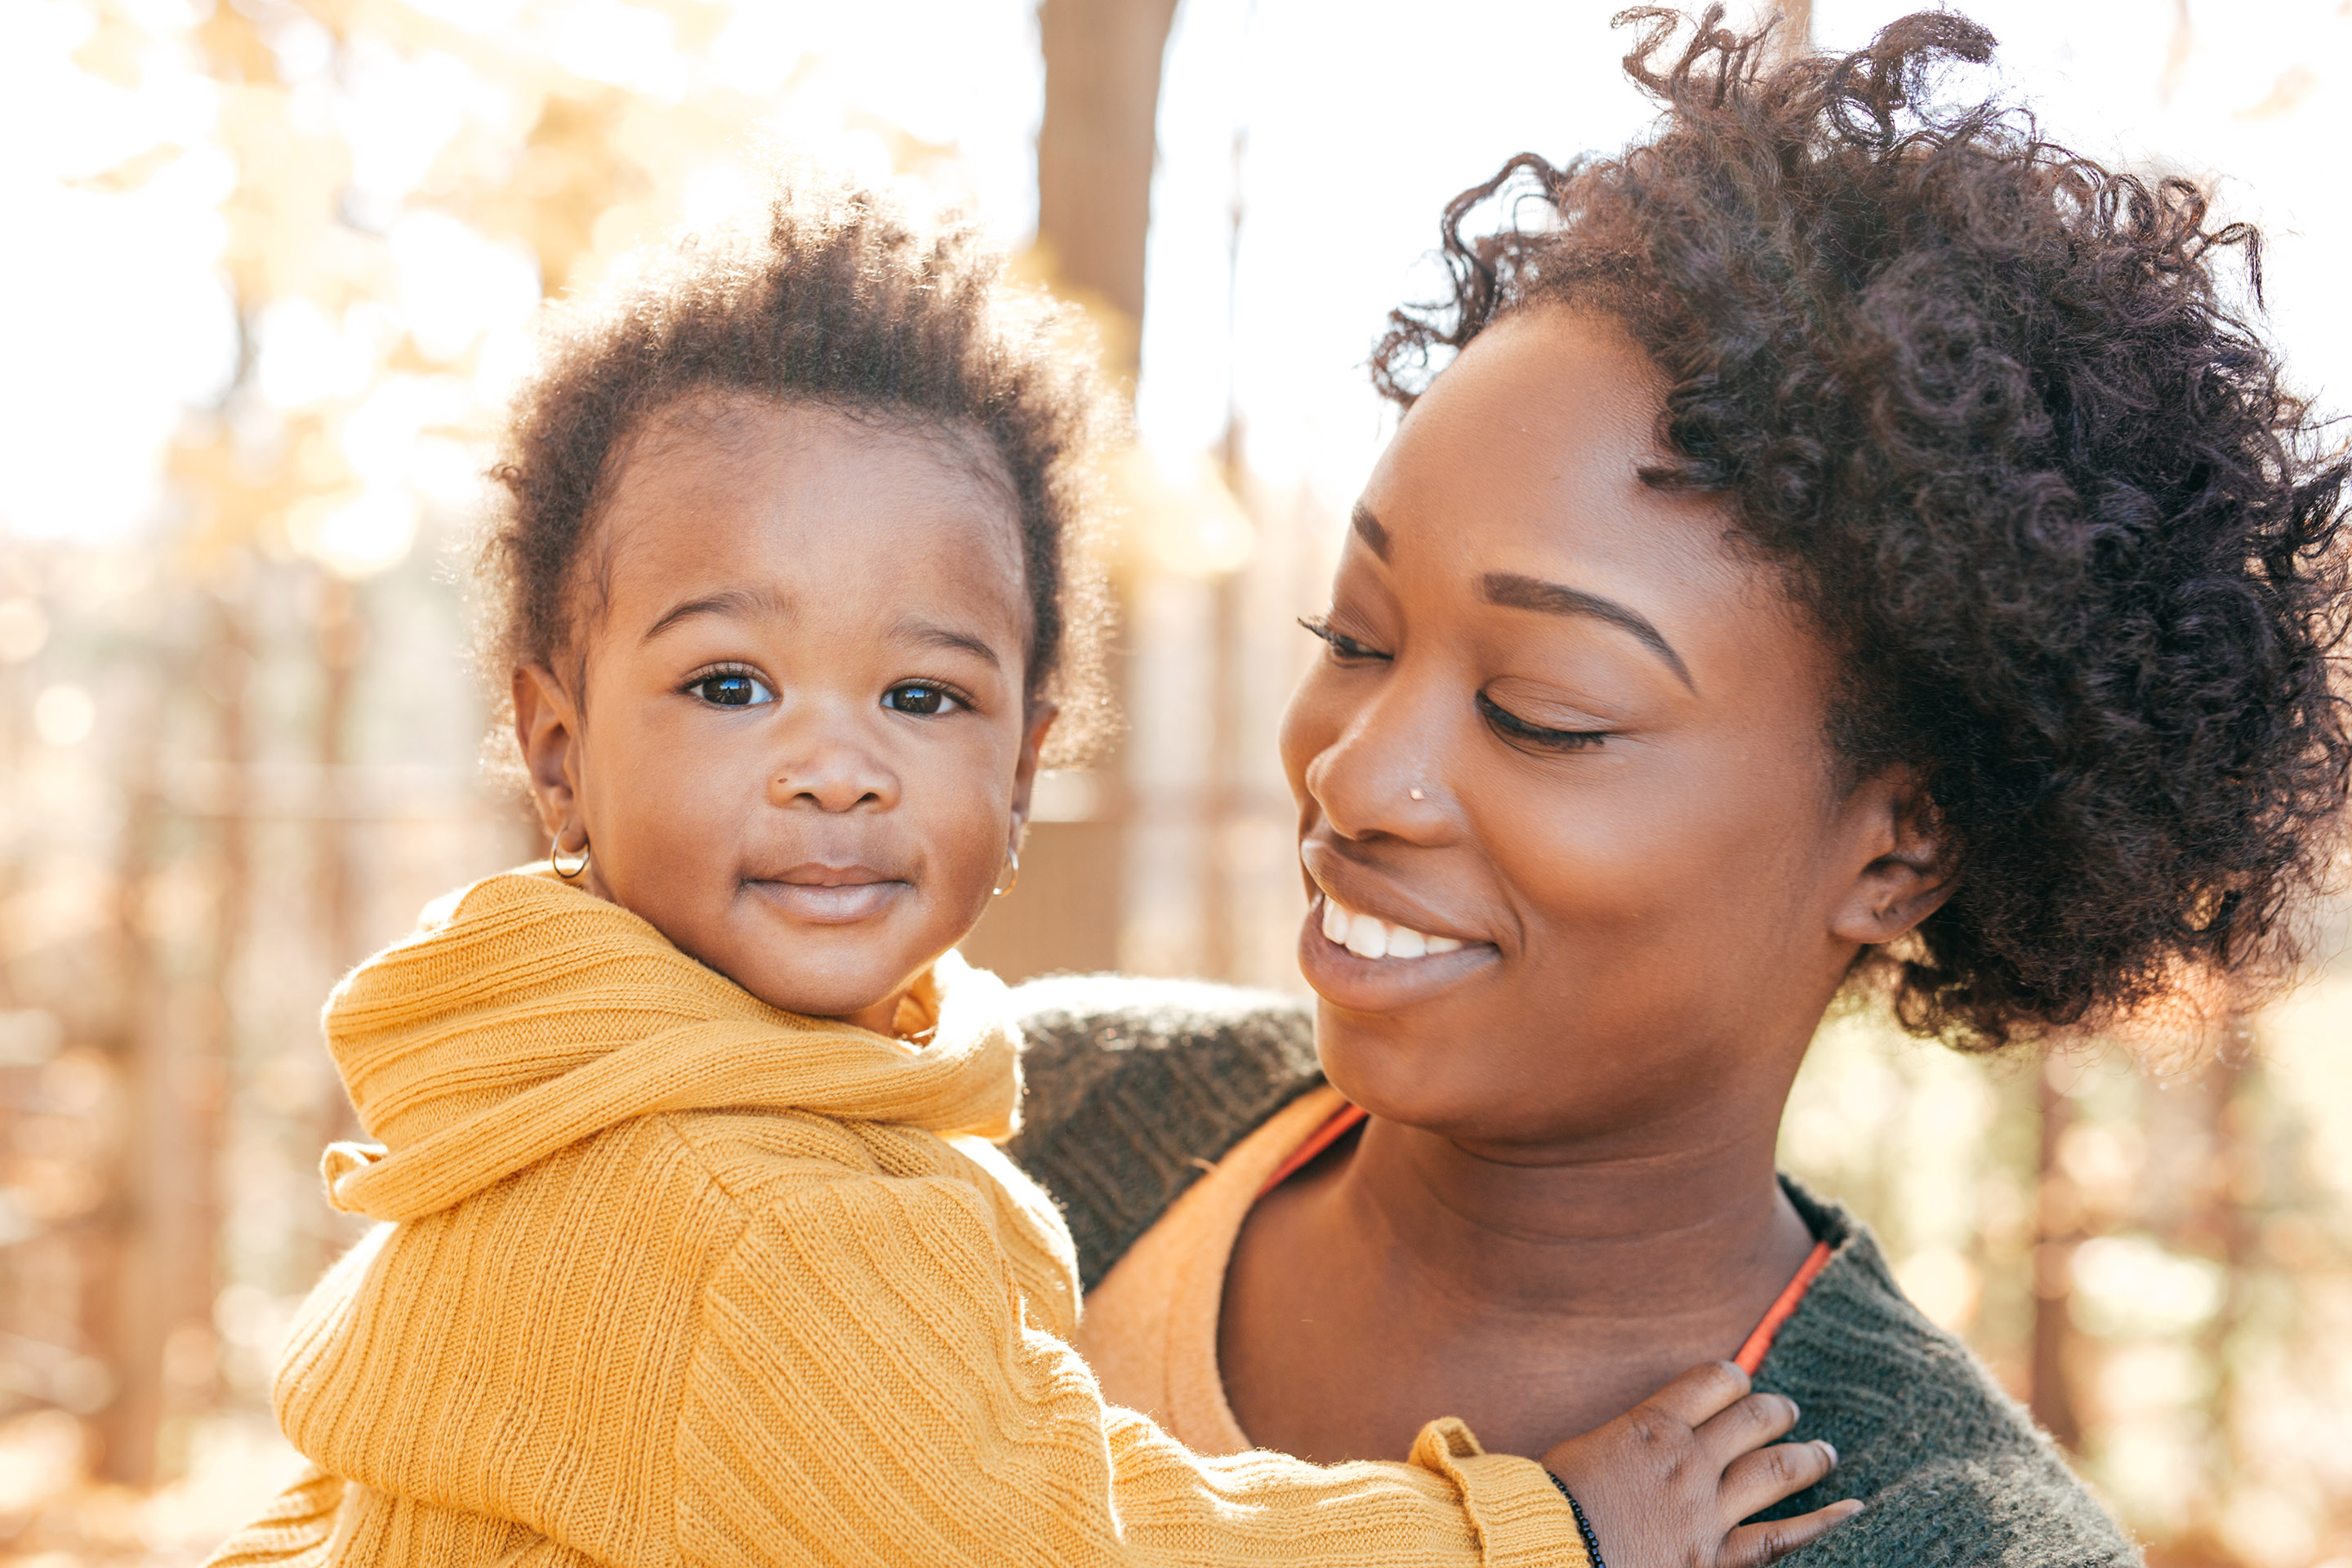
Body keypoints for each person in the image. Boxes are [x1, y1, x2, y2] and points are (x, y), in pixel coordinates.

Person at [203, 183, 1856, 1568]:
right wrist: (1537, 1529)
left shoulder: (581, 1079)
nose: (836, 764)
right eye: (728, 686)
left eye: (922, 698)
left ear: (1021, 768)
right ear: (556, 748)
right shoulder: (742, 1207)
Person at [1007, 11, 2349, 1567]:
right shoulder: (1021, 1121)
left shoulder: (1941, 1542)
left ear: (1901, 849)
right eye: (1353, 637)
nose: (1358, 774)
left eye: (1542, 715)